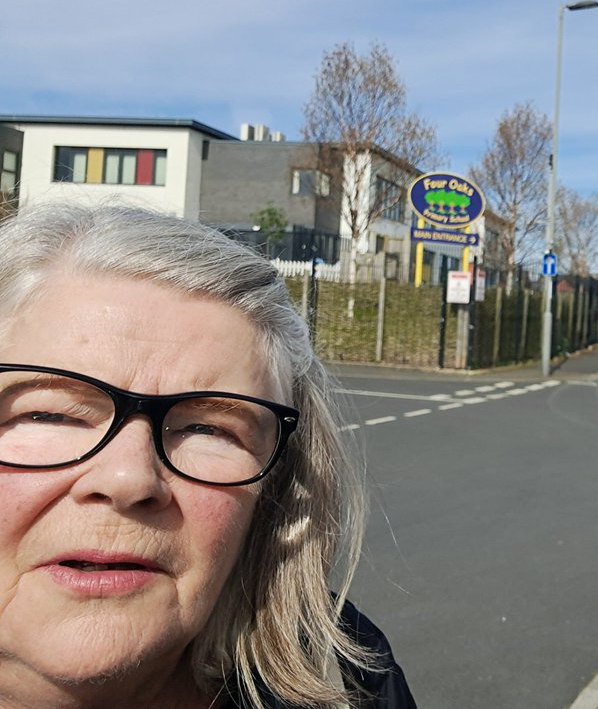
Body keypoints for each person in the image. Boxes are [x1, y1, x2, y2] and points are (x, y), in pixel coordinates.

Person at [0, 203, 417, 709]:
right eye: (51, 415)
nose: (129, 477)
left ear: (275, 493)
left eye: (207, 429)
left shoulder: (351, 680)